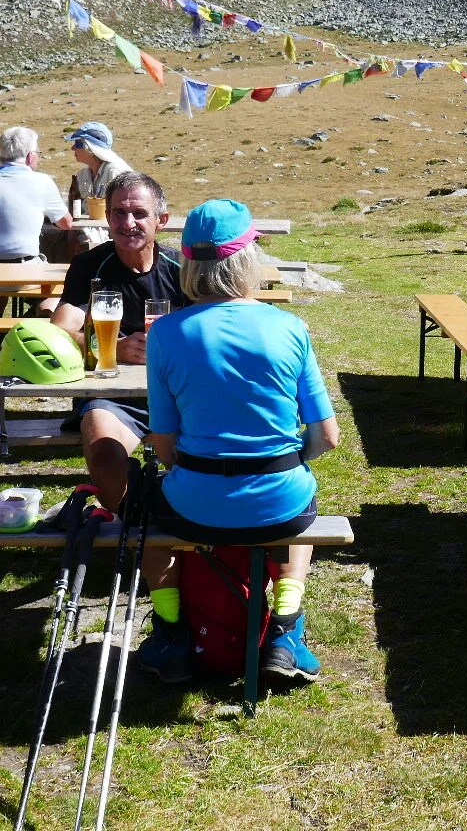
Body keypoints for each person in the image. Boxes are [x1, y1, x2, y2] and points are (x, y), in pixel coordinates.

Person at [132, 200, 339, 685]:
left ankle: (169, 633)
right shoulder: (290, 327)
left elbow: (163, 446)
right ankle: (285, 633)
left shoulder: (165, 334)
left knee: (147, 517)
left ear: (186, 262)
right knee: (301, 496)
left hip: (195, 501)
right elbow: (326, 436)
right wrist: (284, 462)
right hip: (279, 500)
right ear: (248, 258)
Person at [48, 171, 188, 512]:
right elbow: (59, 329)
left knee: (195, 463)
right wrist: (111, 349)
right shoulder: (91, 265)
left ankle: (183, 531)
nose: (128, 223)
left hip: (179, 393)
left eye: (139, 213)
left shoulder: (183, 267)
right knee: (105, 457)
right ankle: (130, 524)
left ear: (161, 220)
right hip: (114, 397)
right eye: (118, 213)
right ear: (107, 218)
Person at [0, 126, 74, 314]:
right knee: (66, 286)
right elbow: (66, 223)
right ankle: (42, 317)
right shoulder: (42, 181)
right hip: (21, 272)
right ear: (30, 156)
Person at [48, 121, 133, 261]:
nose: (72, 148)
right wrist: (72, 235)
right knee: (51, 237)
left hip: (113, 231)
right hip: (86, 228)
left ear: (88, 147)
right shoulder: (82, 175)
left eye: (77, 144)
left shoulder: (116, 172)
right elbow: (76, 209)